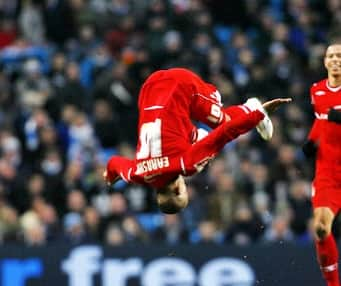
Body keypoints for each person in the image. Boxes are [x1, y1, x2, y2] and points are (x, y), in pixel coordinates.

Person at [104, 68, 291, 213]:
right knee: (190, 139)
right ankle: (197, 136)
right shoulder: (136, 173)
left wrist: (258, 115)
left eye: (185, 193)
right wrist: (110, 177)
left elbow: (224, 134)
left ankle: (251, 107)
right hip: (148, 89)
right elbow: (114, 163)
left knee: (222, 122)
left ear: (178, 189)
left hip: (182, 85)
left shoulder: (186, 165)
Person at [302, 42, 341, 286]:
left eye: (340, 56)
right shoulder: (316, 90)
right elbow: (321, 119)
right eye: (331, 56)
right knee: (320, 229)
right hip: (328, 171)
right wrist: (312, 140)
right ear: (325, 61)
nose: (336, 60)